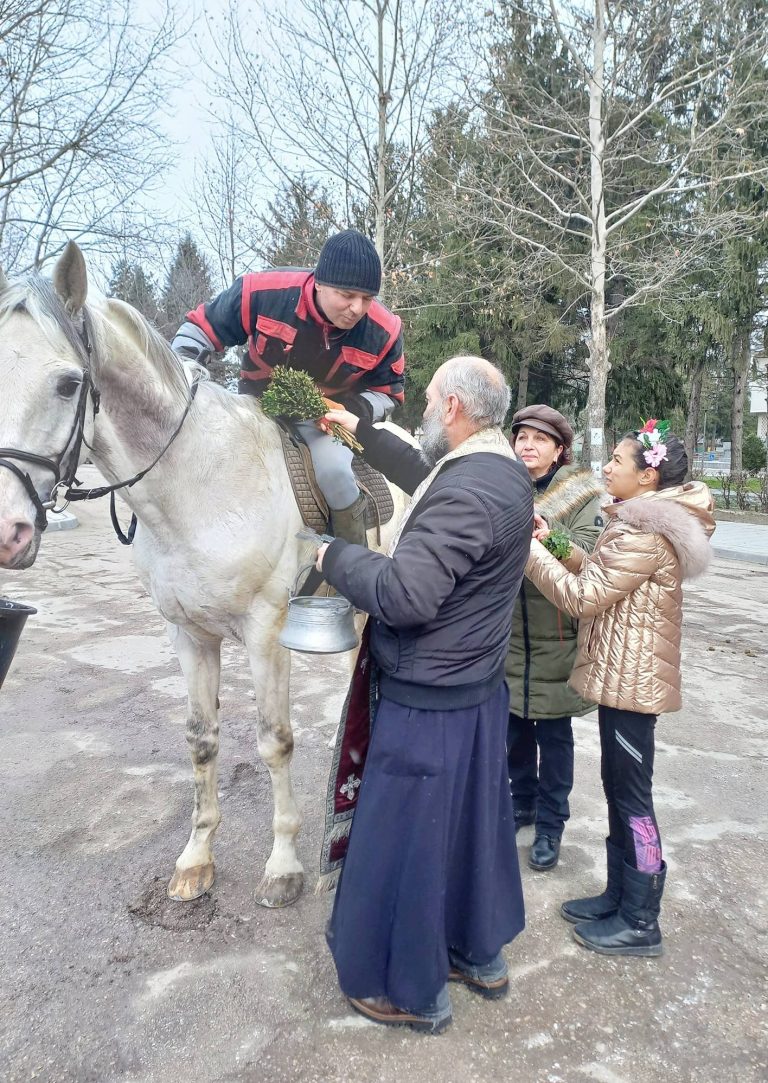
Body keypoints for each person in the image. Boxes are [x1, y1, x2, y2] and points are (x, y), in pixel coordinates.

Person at [314, 356, 533, 1033]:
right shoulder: (497, 469)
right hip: (472, 692)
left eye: (432, 400)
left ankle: (408, 988)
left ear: (455, 409)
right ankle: (477, 953)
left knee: (406, 844)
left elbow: (405, 595)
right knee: (466, 833)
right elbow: (425, 472)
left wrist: (332, 556)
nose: (425, 410)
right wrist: (355, 429)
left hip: (428, 701)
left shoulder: (468, 492)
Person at [525, 420, 715, 957]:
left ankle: (641, 918)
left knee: (633, 798)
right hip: (621, 676)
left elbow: (583, 597)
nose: (606, 467)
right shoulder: (636, 521)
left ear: (647, 477)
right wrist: (550, 541)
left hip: (634, 684)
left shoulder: (644, 533)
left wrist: (526, 552)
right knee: (618, 787)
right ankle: (619, 895)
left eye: (616, 461)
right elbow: (599, 571)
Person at [172, 229, 404, 547]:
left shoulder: (385, 331)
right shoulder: (261, 291)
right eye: (347, 295)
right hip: (255, 406)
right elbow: (201, 328)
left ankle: (351, 563)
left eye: (367, 298)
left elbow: (390, 392)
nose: (357, 308)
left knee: (335, 472)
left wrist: (349, 411)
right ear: (319, 282)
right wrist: (181, 375)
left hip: (325, 421)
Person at [506, 405, 604, 871]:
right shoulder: (502, 485)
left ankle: (551, 824)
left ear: (560, 450)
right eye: (522, 436)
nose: (528, 445)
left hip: (558, 634)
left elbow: (588, 556)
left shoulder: (582, 496)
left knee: (554, 735)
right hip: (508, 632)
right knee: (514, 728)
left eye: (540, 439)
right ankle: (521, 804)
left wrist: (550, 536)